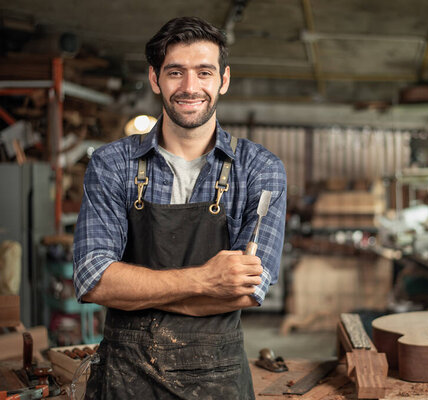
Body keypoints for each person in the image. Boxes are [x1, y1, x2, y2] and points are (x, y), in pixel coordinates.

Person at [73, 16, 286, 399]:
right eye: (176, 72)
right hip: (125, 377)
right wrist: (205, 280)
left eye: (204, 72)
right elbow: (94, 280)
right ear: (155, 79)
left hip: (218, 377)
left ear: (223, 79)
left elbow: (247, 291)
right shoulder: (112, 164)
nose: (190, 87)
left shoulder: (260, 169)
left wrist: (138, 291)